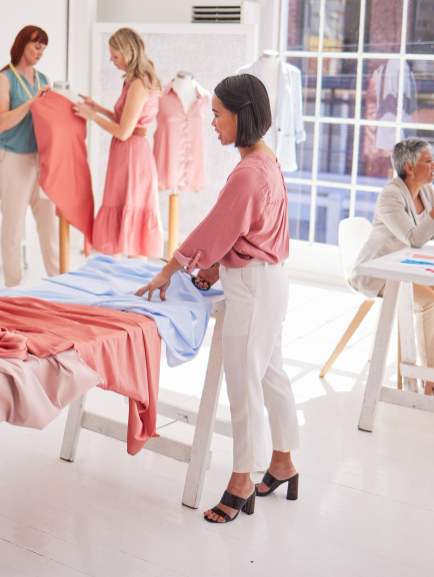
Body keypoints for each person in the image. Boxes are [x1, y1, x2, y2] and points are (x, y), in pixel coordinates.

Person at [137, 74, 299, 524]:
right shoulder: (266, 159)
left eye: (217, 114)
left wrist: (172, 267)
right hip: (268, 278)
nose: (212, 122)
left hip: (251, 285)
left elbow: (214, 227)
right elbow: (245, 227)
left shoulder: (249, 172)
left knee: (244, 385)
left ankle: (242, 479)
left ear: (239, 115)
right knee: (270, 374)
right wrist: (213, 265)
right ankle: (283, 461)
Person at [349, 138, 434, 402]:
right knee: (431, 304)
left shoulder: (427, 193)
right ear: (410, 167)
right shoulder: (390, 196)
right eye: (428, 161)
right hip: (380, 271)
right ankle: (428, 384)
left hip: (409, 269)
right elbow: (415, 238)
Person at [74, 27, 162, 260]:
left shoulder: (138, 85)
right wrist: (99, 108)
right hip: (128, 153)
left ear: (130, 52)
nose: (112, 61)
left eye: (115, 55)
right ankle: (124, 279)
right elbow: (127, 121)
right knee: (125, 206)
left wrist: (92, 117)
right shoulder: (134, 82)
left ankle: (130, 281)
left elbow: (124, 131)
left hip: (132, 155)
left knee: (131, 209)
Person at [0, 25, 59, 287]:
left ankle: (59, 284)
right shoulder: (4, 79)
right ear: (22, 45)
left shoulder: (43, 80)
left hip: (40, 161)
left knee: (49, 226)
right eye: (36, 46)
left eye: (43, 48)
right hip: (14, 159)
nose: (40, 52)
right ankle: (14, 289)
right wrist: (31, 103)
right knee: (13, 228)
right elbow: (1, 122)